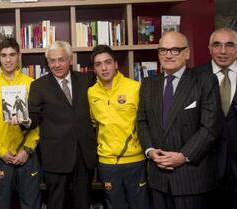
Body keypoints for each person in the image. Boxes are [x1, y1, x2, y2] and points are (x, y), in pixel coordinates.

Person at [137, 31, 219, 209]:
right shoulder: (148, 83)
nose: (168, 55)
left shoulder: (205, 81)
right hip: (158, 179)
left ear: (187, 53)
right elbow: (142, 122)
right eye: (163, 50)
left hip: (190, 177)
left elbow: (210, 127)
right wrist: (150, 151)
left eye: (175, 50)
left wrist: (183, 156)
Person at [27, 41, 97, 209]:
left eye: (61, 60)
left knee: (83, 203)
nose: (56, 65)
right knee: (56, 203)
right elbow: (33, 116)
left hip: (83, 155)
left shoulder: (87, 80)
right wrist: (25, 121)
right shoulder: (38, 85)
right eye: (52, 61)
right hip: (55, 156)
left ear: (70, 59)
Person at [88, 45, 150, 209]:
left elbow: (146, 122)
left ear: (116, 64)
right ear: (94, 69)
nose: (104, 67)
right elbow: (94, 123)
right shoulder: (91, 93)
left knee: (140, 205)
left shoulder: (135, 87)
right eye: (98, 64)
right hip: (107, 163)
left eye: (108, 62)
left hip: (135, 160)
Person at [0, 38, 41, 209]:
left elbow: (38, 122)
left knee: (31, 204)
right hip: (1, 156)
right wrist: (0, 151)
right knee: (1, 204)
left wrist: (27, 149)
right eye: (4, 55)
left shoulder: (31, 84)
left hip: (27, 155)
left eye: (12, 55)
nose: (8, 60)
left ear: (19, 56)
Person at [195, 27, 237, 209]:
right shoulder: (195, 77)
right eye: (217, 45)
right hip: (206, 167)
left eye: (230, 45)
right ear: (209, 48)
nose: (223, 51)